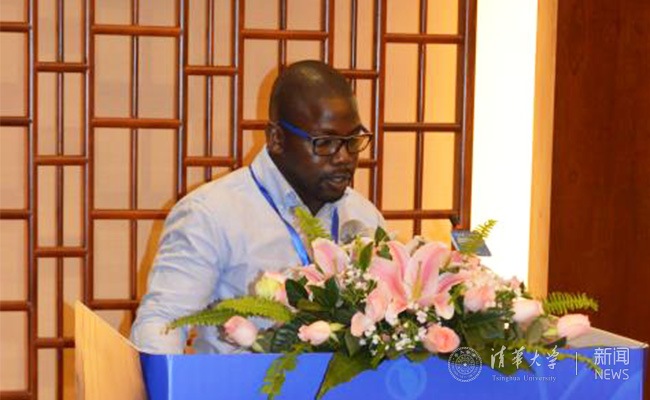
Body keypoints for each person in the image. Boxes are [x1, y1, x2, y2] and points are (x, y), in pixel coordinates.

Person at [131, 60, 385, 354]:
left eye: (353, 140)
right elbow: (163, 324)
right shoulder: (210, 214)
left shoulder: (365, 217)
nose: (344, 157)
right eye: (325, 142)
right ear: (277, 139)